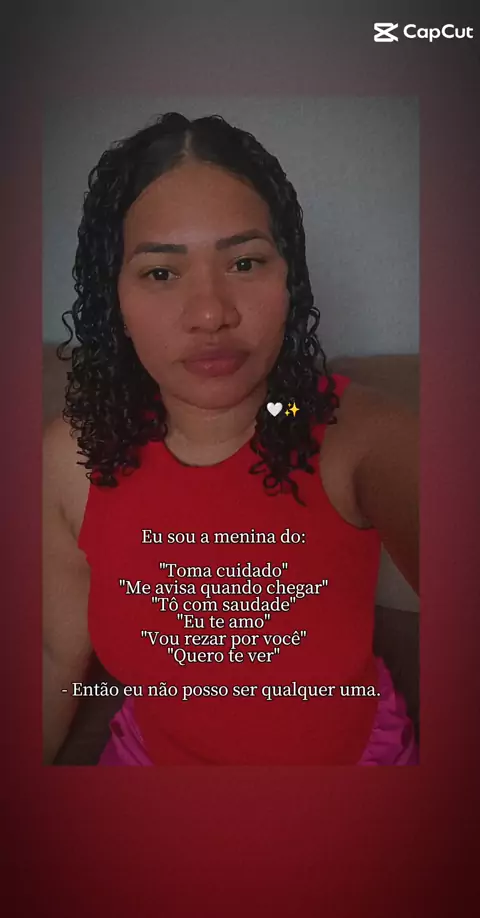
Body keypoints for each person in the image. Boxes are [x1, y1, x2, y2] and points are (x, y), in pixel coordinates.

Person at [42, 112, 419, 766]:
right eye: (161, 273)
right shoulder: (72, 454)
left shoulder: (347, 431)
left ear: (288, 280)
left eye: (245, 262)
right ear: (115, 300)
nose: (212, 313)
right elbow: (54, 653)